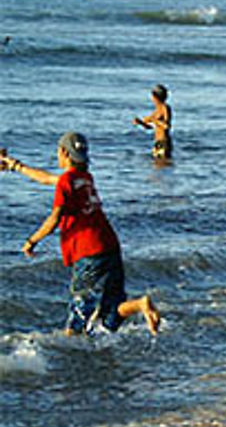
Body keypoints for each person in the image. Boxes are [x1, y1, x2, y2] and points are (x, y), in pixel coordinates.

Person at [0, 133, 161, 336]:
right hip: (110, 245)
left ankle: (68, 356)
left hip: (89, 252)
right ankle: (140, 304)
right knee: (111, 312)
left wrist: (31, 241)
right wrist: (14, 165)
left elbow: (54, 218)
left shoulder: (67, 181)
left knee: (79, 312)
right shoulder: (84, 178)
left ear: (64, 153)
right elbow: (46, 178)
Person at [133, 84, 173, 159]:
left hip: (164, 142)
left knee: (162, 164)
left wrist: (153, 120)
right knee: (156, 166)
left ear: (155, 97)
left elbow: (166, 126)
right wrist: (141, 123)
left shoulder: (165, 108)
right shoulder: (157, 110)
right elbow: (150, 127)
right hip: (157, 142)